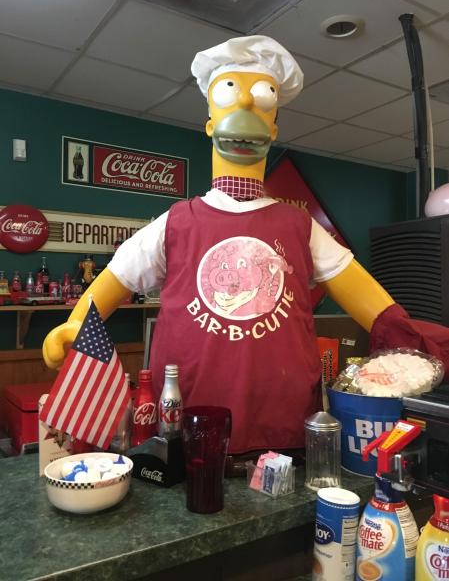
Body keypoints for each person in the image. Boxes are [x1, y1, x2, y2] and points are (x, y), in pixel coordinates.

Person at [43, 36, 449, 459]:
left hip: (283, 425)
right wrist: (76, 324)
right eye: (231, 94)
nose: (246, 110)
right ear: (210, 124)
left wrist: (413, 342)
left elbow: (363, 294)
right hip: (187, 421)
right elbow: (118, 277)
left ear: (273, 130)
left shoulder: (298, 225)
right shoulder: (177, 221)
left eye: (262, 99)